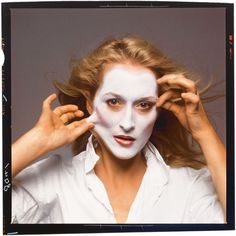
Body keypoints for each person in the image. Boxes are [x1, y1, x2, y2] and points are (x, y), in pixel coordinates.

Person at [12, 36, 226, 224]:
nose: (127, 122)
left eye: (144, 105)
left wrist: (204, 133)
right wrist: (35, 141)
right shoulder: (54, 181)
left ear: (158, 111)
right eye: (114, 101)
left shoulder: (189, 186)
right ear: (89, 104)